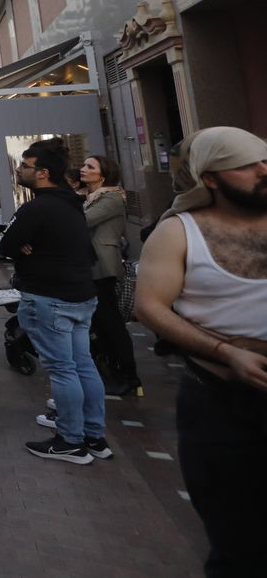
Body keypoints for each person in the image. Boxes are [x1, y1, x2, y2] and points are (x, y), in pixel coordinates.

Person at [134, 127, 267, 575]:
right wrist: (226, 353)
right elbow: (150, 306)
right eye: (247, 165)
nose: (263, 171)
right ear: (211, 178)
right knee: (238, 543)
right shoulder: (178, 232)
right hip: (219, 401)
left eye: (265, 160)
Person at [1, 139, 105, 465]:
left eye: (25, 166)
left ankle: (70, 439)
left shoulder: (37, 207)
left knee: (62, 370)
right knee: (83, 365)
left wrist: (24, 245)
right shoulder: (72, 204)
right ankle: (93, 435)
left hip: (50, 297)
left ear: (43, 173)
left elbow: (6, 243)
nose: (19, 170)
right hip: (80, 296)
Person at [80, 154, 140, 396]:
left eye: (89, 166)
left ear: (102, 175)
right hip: (91, 264)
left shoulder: (112, 197)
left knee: (111, 322)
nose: (83, 169)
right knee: (101, 322)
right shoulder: (91, 197)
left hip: (103, 264)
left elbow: (84, 221)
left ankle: (129, 375)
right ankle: (113, 370)